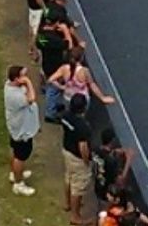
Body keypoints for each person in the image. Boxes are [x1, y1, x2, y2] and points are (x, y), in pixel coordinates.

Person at [59, 93, 95, 226]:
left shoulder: (65, 116)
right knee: (78, 186)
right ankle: (75, 216)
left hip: (66, 150)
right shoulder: (82, 126)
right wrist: (86, 161)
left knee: (69, 177)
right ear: (84, 108)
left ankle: (68, 203)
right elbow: (83, 147)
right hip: (77, 158)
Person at [4, 65, 40, 196]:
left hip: (17, 128)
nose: (26, 78)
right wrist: (29, 83)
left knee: (16, 152)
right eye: (23, 76)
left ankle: (15, 173)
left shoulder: (10, 84)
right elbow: (31, 98)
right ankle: (18, 184)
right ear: (17, 79)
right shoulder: (15, 96)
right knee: (21, 156)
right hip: (22, 131)